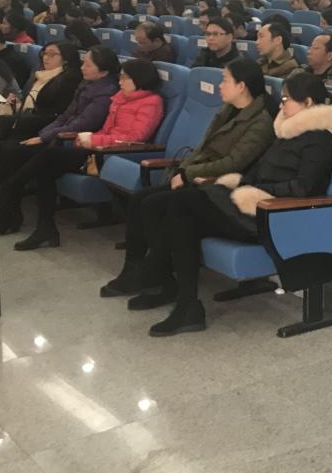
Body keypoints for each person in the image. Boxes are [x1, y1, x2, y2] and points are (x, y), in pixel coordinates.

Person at [139, 72, 332, 336]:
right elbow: (258, 170)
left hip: (272, 216)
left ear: (307, 103)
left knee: (183, 200)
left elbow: (303, 188)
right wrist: (243, 184)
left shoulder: (320, 139)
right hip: (250, 204)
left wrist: (256, 192)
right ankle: (184, 302)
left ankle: (155, 274)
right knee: (166, 209)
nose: (281, 104)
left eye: (286, 99)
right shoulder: (288, 131)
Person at [100, 57, 276, 299]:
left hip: (217, 186)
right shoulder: (227, 110)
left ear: (242, 86)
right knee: (141, 199)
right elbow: (202, 148)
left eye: (225, 81)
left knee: (154, 204)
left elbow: (234, 162)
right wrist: (183, 170)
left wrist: (188, 174)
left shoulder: (260, 122)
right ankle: (136, 269)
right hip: (198, 175)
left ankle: (157, 275)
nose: (220, 86)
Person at [0, 58, 163, 250]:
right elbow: (106, 130)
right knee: (44, 168)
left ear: (139, 79)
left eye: (124, 78)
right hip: (95, 149)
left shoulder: (151, 102)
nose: (120, 82)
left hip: (112, 154)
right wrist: (90, 139)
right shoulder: (120, 98)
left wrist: (94, 140)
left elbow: (136, 137)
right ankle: (44, 227)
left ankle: (6, 192)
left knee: (48, 156)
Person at [0, 42, 81, 143]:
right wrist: (17, 104)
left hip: (40, 128)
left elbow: (57, 114)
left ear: (66, 59)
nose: (46, 58)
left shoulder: (69, 80)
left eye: (52, 54)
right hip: (24, 121)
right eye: (44, 53)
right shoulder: (38, 75)